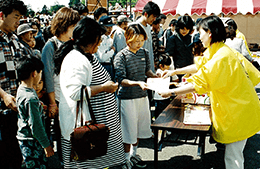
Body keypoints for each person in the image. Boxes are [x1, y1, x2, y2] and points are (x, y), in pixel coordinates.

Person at [160, 15, 260, 169]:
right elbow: (199, 66)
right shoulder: (217, 49)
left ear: (209, 32)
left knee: (233, 158)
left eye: (200, 32)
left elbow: (200, 83)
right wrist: (173, 72)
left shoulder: (221, 56)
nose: (198, 35)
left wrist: (171, 92)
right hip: (237, 108)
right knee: (233, 155)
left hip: (238, 111)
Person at [54, 17, 126, 168]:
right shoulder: (77, 60)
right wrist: (104, 88)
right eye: (99, 39)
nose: (100, 43)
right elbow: (75, 93)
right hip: (88, 127)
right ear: (90, 39)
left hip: (97, 123)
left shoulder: (85, 56)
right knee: (88, 163)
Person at [114, 23, 158, 168]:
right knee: (127, 129)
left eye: (141, 40)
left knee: (138, 127)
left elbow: (147, 72)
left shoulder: (144, 53)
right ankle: (125, 158)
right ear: (128, 39)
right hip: (127, 98)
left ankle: (133, 155)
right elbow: (121, 80)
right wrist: (137, 83)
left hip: (142, 96)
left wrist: (156, 76)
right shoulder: (121, 56)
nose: (139, 43)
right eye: (136, 40)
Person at [41, 7, 80, 162]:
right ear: (65, 25)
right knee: (62, 133)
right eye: (73, 26)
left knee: (74, 133)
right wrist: (52, 103)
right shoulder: (50, 46)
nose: (76, 29)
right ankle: (65, 162)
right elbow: (49, 77)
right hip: (58, 98)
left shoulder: (74, 43)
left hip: (73, 96)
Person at [0, 0, 27, 169]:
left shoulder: (15, 40)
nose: (19, 21)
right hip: (2, 110)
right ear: (2, 15)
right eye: (16, 16)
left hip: (16, 109)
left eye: (20, 17)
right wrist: (3, 95)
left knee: (15, 155)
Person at [16, 55, 54, 168]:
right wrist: (46, 145)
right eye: (40, 72)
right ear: (34, 73)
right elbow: (36, 126)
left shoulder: (21, 89)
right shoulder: (30, 98)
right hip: (32, 141)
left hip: (25, 138)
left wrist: (40, 107)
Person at [165, 15, 194, 81]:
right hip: (176, 72)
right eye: (182, 28)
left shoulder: (191, 39)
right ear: (178, 27)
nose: (185, 31)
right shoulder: (172, 39)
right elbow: (169, 58)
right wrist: (174, 75)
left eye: (187, 29)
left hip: (189, 71)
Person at [136, 1, 161, 73]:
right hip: (139, 69)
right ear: (146, 14)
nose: (154, 19)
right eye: (153, 16)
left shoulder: (148, 28)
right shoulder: (135, 27)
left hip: (149, 69)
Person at [95, 15, 116, 80]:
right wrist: (112, 51)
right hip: (102, 65)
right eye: (107, 27)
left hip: (109, 65)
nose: (110, 29)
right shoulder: (100, 39)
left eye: (111, 27)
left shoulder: (108, 38)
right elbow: (102, 58)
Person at [154, 54, 172, 119]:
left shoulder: (164, 71)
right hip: (160, 98)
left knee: (165, 114)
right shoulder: (159, 72)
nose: (169, 67)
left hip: (166, 96)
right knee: (160, 115)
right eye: (167, 66)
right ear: (161, 66)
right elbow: (162, 82)